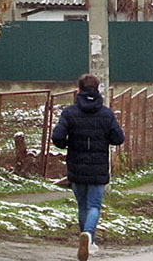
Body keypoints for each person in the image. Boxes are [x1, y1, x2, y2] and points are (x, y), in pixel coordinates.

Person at [52, 73, 125, 261]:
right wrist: (104, 139)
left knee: (82, 205)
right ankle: (89, 237)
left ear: (78, 90)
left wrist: (68, 144)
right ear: (98, 89)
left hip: (76, 167)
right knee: (94, 205)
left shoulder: (69, 113)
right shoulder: (106, 114)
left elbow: (57, 137)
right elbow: (119, 138)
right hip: (98, 168)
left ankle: (86, 238)